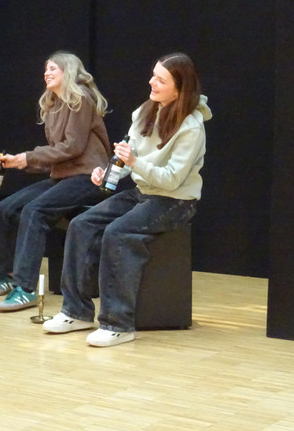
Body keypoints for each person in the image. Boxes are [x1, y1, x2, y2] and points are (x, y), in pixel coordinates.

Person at [42, 52, 211, 347]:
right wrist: (108, 173)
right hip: (143, 192)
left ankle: (118, 324)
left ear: (179, 89)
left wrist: (134, 162)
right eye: (153, 75)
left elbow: (172, 179)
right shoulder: (144, 112)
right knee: (81, 224)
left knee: (117, 233)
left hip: (175, 200)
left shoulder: (192, 127)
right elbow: (126, 157)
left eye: (161, 79)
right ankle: (76, 311)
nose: (152, 82)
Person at [0, 51, 111, 312]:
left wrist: (28, 157)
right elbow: (56, 155)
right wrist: (19, 161)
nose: (47, 73)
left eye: (53, 68)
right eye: (46, 69)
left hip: (88, 176)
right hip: (63, 175)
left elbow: (73, 147)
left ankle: (25, 289)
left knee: (35, 211)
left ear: (69, 71)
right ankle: (5, 275)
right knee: (6, 208)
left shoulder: (81, 99)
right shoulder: (53, 106)